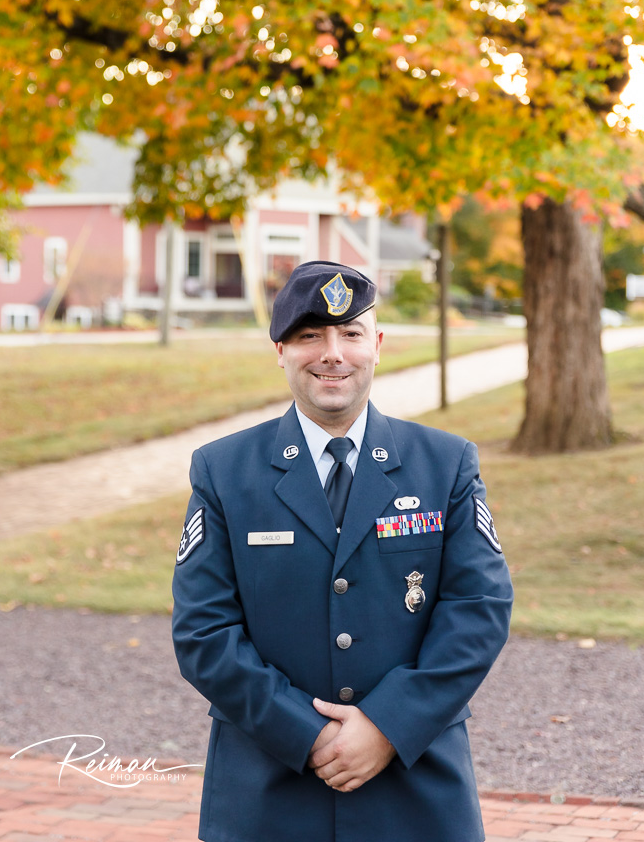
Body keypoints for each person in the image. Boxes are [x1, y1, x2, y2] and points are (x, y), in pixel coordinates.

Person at [172, 260, 513, 842]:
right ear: (279, 349)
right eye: (310, 335)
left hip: (414, 779)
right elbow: (204, 632)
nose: (333, 353)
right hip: (268, 787)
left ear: (376, 345)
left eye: (351, 333)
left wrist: (385, 727)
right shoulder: (224, 470)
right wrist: (307, 734)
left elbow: (478, 608)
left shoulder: (445, 463)